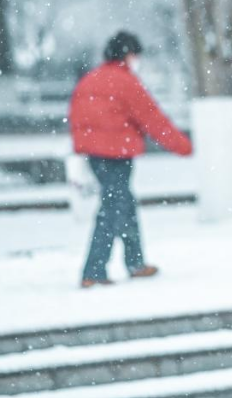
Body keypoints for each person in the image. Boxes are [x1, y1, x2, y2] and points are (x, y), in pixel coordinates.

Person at [68, 31, 193, 288]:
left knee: (124, 206)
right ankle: (94, 270)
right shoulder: (125, 82)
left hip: (95, 154)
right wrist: (183, 146)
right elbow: (153, 120)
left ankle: (135, 262)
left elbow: (78, 117)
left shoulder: (91, 79)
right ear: (129, 54)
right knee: (112, 210)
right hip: (116, 154)